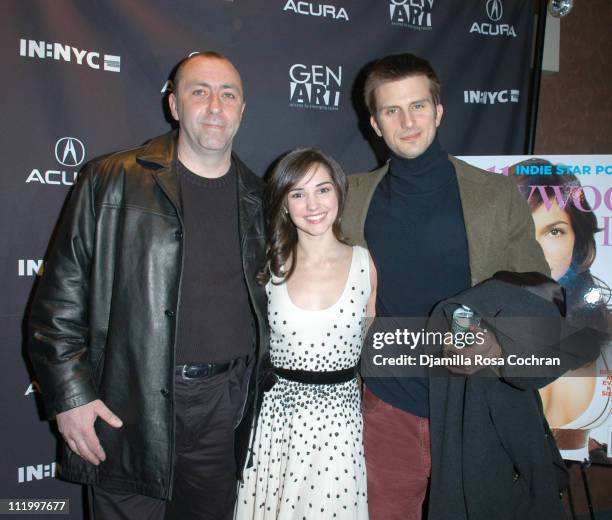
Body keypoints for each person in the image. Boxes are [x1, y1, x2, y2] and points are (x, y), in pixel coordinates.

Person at [27, 51, 268, 520]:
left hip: (224, 411)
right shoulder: (111, 179)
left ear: (243, 109)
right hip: (126, 406)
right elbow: (56, 305)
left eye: (228, 94)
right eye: (199, 91)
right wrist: (70, 398)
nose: (215, 105)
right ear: (174, 105)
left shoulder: (260, 197)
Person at [342, 53, 565, 520]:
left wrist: (499, 346)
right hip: (388, 410)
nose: (407, 121)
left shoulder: (497, 195)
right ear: (375, 125)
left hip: (474, 409)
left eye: (418, 106)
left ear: (439, 111)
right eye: (391, 111)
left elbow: (540, 292)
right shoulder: (351, 197)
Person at [234, 148, 377, 520]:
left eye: (323, 189)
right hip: (277, 425)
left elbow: (371, 342)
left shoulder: (365, 264)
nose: (312, 204)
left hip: (339, 429)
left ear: (339, 194)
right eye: (297, 193)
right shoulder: (268, 266)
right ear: (283, 204)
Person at [509, 158, 612, 460]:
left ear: (577, 240)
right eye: (522, 232)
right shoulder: (471, 322)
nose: (536, 250)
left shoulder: (606, 330)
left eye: (554, 231)